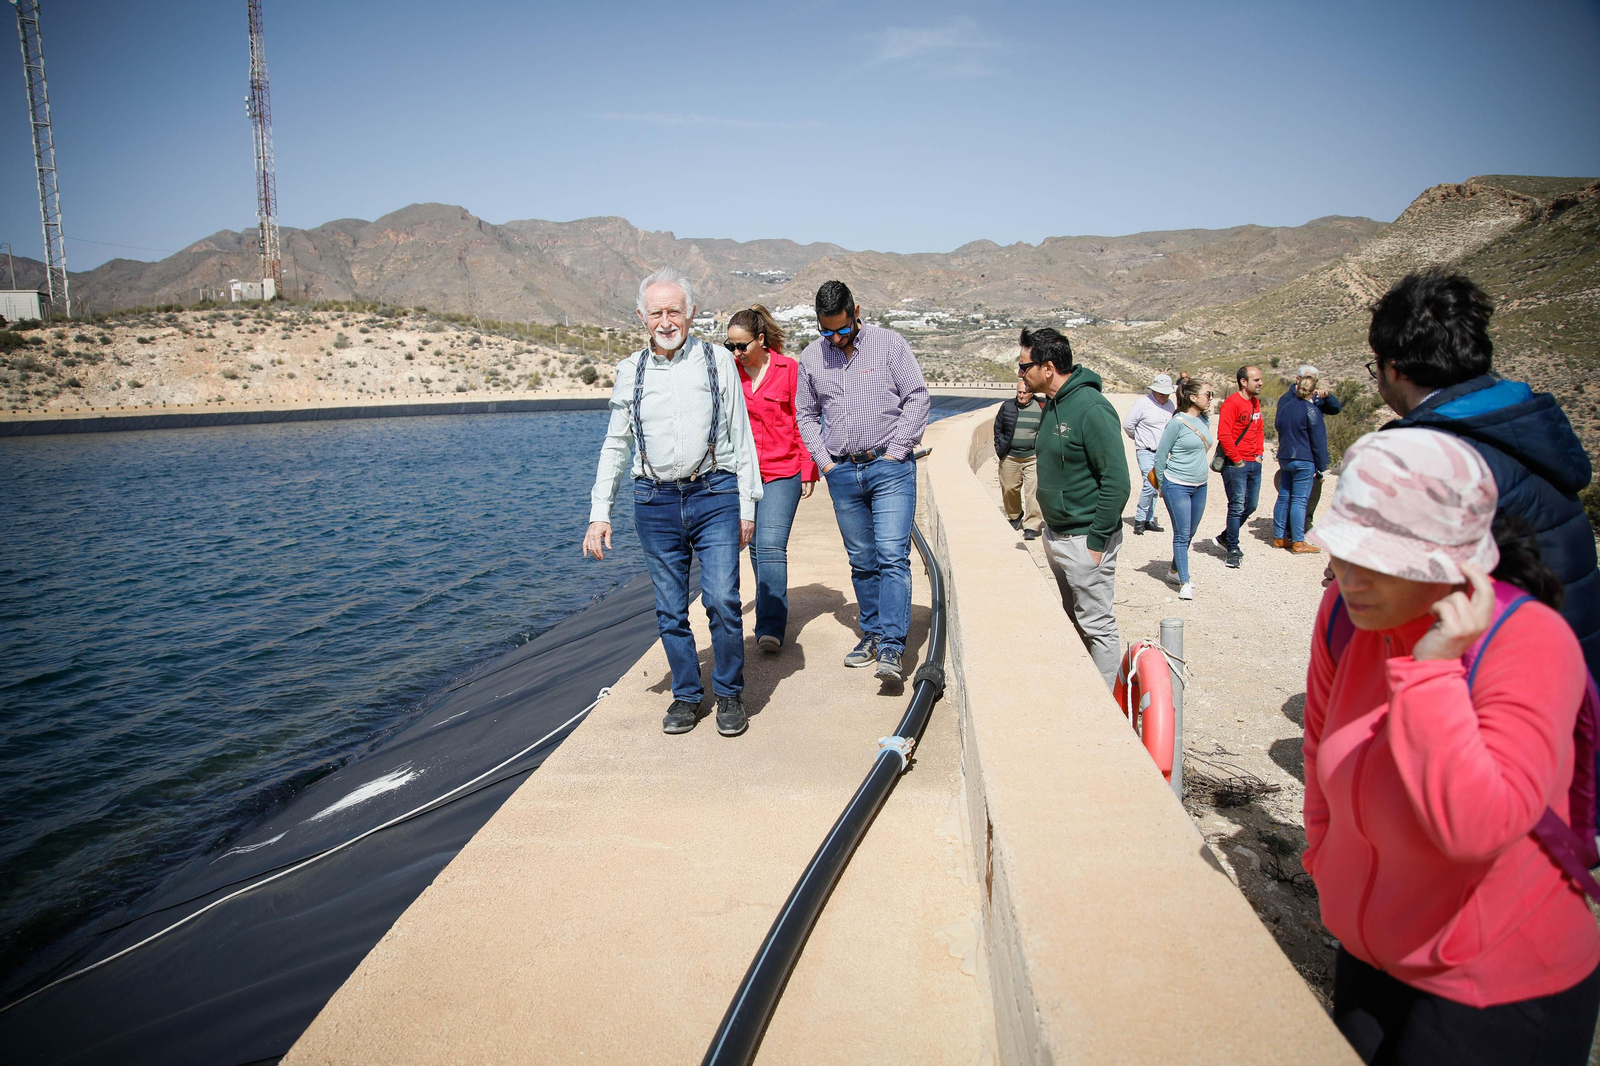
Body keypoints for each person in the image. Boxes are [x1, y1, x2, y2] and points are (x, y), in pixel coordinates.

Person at [1301, 427, 1600, 1065]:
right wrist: (1328, 865)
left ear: (1451, 562)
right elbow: (1319, 753)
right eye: (1344, 553)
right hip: (1370, 958)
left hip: (1496, 989)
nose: (1349, 577)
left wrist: (1431, 673)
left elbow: (1476, 826)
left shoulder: (1528, 641)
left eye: (1379, 561)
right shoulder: (1342, 619)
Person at [1369, 270, 1600, 680]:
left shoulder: (1421, 455)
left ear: (1394, 367)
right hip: (1575, 674)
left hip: (1498, 681)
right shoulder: (1527, 423)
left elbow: (1388, 604)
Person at [583, 266, 762, 738]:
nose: (666, 321)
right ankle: (686, 695)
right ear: (642, 318)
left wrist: (749, 503)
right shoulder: (629, 371)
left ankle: (728, 691)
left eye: (675, 311)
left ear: (692, 314)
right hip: (653, 502)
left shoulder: (717, 361)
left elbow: (740, 435)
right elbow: (616, 444)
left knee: (723, 598)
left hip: (715, 493)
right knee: (669, 608)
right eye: (656, 312)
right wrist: (600, 512)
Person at [795, 280, 930, 690]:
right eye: (825, 331)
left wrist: (896, 452)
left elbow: (918, 397)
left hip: (889, 468)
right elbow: (804, 415)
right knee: (862, 559)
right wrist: (825, 464)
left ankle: (892, 645)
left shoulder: (890, 344)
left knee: (892, 555)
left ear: (857, 312)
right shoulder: (811, 357)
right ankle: (871, 634)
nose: (834, 338)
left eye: (841, 329)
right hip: (843, 473)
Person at [1018, 327, 1130, 687]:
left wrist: (1096, 541)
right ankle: (1086, 687)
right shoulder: (1051, 404)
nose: (1020, 374)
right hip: (1058, 536)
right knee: (1074, 616)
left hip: (1085, 540)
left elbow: (1117, 481)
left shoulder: (1092, 408)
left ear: (1047, 367)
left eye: (1024, 367)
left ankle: (1108, 709)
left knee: (1098, 626)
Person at [727, 304, 818, 654]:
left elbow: (803, 420)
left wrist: (809, 467)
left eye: (742, 346)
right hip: (742, 474)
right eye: (730, 346)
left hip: (784, 470)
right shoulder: (730, 373)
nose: (736, 353)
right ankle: (769, 609)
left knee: (770, 546)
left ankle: (770, 626)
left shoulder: (789, 369)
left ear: (761, 340)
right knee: (753, 546)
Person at [1152, 378, 1214, 600]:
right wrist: (1160, 485)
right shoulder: (1176, 423)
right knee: (1182, 534)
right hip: (1176, 484)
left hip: (1200, 485)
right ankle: (1184, 581)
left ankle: (1174, 570)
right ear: (1193, 397)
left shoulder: (1204, 420)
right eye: (1208, 394)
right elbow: (1161, 456)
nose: (1211, 398)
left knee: (1191, 531)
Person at [1272, 364, 1341, 553]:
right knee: (1300, 500)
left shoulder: (1286, 406)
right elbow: (1318, 441)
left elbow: (1278, 426)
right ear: (1313, 389)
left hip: (1286, 456)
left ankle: (1279, 537)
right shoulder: (1312, 411)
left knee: (1284, 496)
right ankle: (1298, 541)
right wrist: (1321, 466)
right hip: (1304, 459)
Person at [1212, 365, 1265, 569]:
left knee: (1250, 505)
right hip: (1237, 464)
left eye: (1260, 379)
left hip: (1254, 462)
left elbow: (1258, 430)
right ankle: (1232, 548)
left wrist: (1259, 454)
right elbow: (1224, 435)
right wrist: (1237, 459)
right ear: (1243, 381)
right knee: (1236, 506)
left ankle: (1226, 536)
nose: (1260, 383)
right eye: (1256, 380)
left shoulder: (1255, 403)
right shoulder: (1231, 403)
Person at [992, 377, 1044, 539]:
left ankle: (1032, 525)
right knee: (1009, 488)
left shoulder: (1042, 406)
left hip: (1033, 457)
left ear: (1032, 393)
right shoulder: (1007, 406)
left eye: (1025, 393)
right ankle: (1015, 516)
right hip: (1010, 456)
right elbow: (998, 428)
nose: (1021, 396)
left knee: (1033, 492)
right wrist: (1000, 448)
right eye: (1019, 392)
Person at [1123, 374, 1175, 535]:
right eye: (1161, 393)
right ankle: (1139, 519)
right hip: (1146, 450)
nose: (1164, 396)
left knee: (1157, 484)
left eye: (1167, 393)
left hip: (1163, 453)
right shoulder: (1142, 404)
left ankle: (1149, 519)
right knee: (1150, 483)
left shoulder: (1170, 405)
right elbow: (1128, 425)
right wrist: (1138, 438)